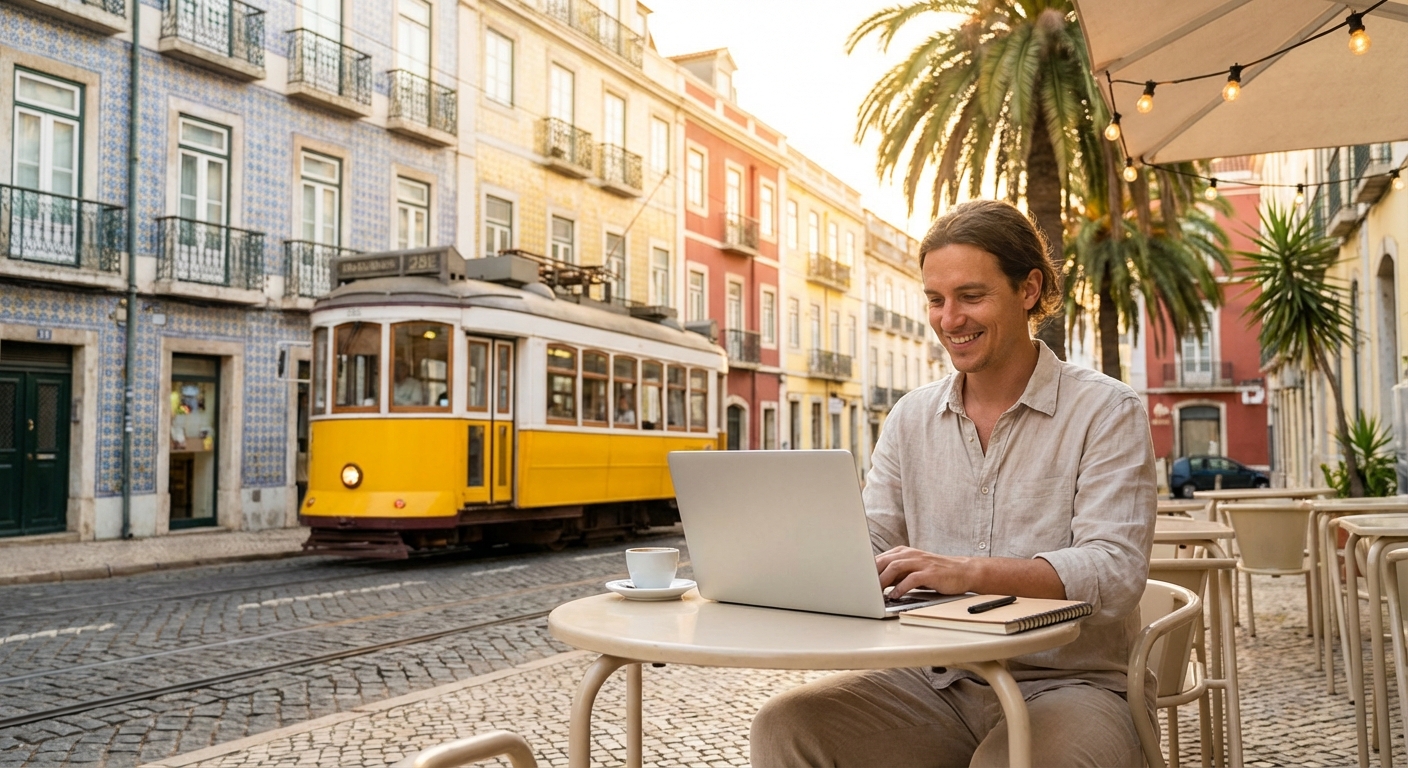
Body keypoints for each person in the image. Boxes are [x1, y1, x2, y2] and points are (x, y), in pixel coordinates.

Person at [750, 200, 1157, 767]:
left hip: (1071, 685)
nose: (949, 319)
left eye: (971, 296)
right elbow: (869, 542)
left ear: (1029, 290)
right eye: (936, 300)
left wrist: (967, 573)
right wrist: (793, 555)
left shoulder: (1105, 410)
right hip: (936, 684)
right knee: (786, 727)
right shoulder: (910, 418)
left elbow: (1114, 572)